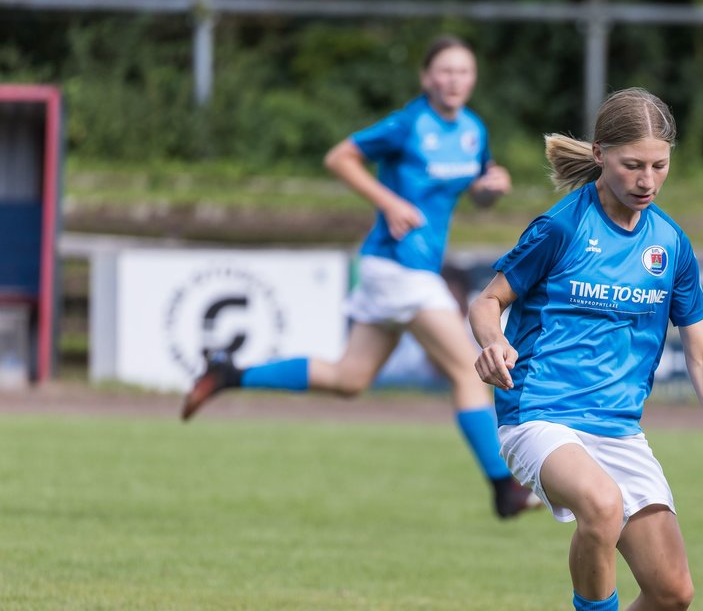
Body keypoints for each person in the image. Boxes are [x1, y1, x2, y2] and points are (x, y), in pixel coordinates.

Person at [470, 88, 703, 611]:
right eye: (632, 165)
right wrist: (490, 339)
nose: (647, 179)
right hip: (538, 413)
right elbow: (490, 299)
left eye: (659, 165)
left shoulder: (671, 245)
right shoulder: (563, 227)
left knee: (672, 592)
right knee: (600, 505)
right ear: (600, 157)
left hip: (618, 429)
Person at [180, 35, 538, 519]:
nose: (454, 80)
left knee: (350, 379)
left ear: (473, 80)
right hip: (397, 266)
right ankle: (505, 489)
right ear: (426, 78)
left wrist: (492, 189)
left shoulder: (473, 131)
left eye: (464, 72)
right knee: (467, 370)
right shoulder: (409, 124)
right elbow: (339, 157)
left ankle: (228, 373)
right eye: (445, 72)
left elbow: (477, 190)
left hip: (408, 269)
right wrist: (388, 202)